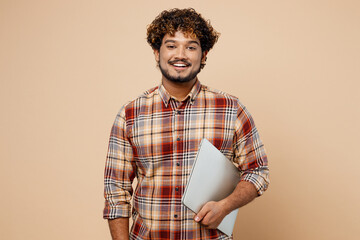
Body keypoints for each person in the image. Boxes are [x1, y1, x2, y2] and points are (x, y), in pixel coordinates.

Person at [103, 8, 269, 240]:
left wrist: (226, 206)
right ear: (156, 52)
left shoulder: (231, 109)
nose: (180, 55)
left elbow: (257, 171)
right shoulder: (130, 114)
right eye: (171, 45)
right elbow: (116, 192)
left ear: (204, 55)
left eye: (191, 47)